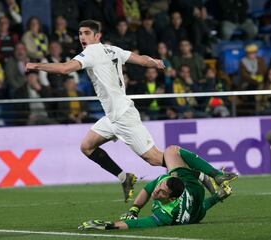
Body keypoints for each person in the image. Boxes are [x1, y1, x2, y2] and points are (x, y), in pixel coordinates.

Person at [26, 19, 166, 202]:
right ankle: (125, 178)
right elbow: (142, 60)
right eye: (80, 33)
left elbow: (64, 69)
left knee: (155, 159)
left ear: (97, 36)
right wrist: (155, 62)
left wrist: (36, 66)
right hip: (112, 116)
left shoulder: (91, 52)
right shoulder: (113, 49)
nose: (82, 37)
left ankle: (202, 174)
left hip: (123, 115)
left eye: (86, 33)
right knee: (87, 146)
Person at [78, 145, 238, 230]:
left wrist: (108, 225)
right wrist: (216, 197)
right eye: (160, 186)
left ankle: (211, 176)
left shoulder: (166, 216)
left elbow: (138, 224)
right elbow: (149, 189)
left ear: (172, 198)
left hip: (193, 191)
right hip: (193, 188)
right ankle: (215, 175)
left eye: (161, 192)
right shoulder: (166, 181)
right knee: (173, 153)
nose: (157, 190)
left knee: (170, 153)